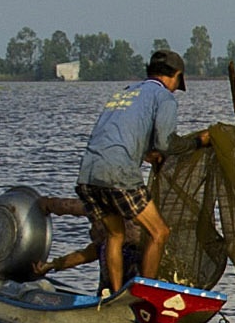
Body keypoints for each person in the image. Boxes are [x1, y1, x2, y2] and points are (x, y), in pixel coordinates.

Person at [40, 49, 207, 296]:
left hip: (88, 175)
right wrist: (198, 143)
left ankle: (115, 296)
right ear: (176, 76)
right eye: (176, 84)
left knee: (115, 235)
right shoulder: (164, 97)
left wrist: (147, 155)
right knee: (160, 232)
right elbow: (166, 144)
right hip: (118, 175)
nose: (174, 90)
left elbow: (118, 139)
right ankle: (144, 294)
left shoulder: (125, 93)